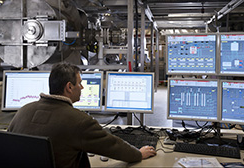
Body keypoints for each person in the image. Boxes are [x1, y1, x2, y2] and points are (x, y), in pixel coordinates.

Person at [8, 62, 156, 168]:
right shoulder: (78, 121)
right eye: (80, 83)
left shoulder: (23, 111)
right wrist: (138, 154)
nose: (82, 87)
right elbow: (113, 146)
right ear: (69, 87)